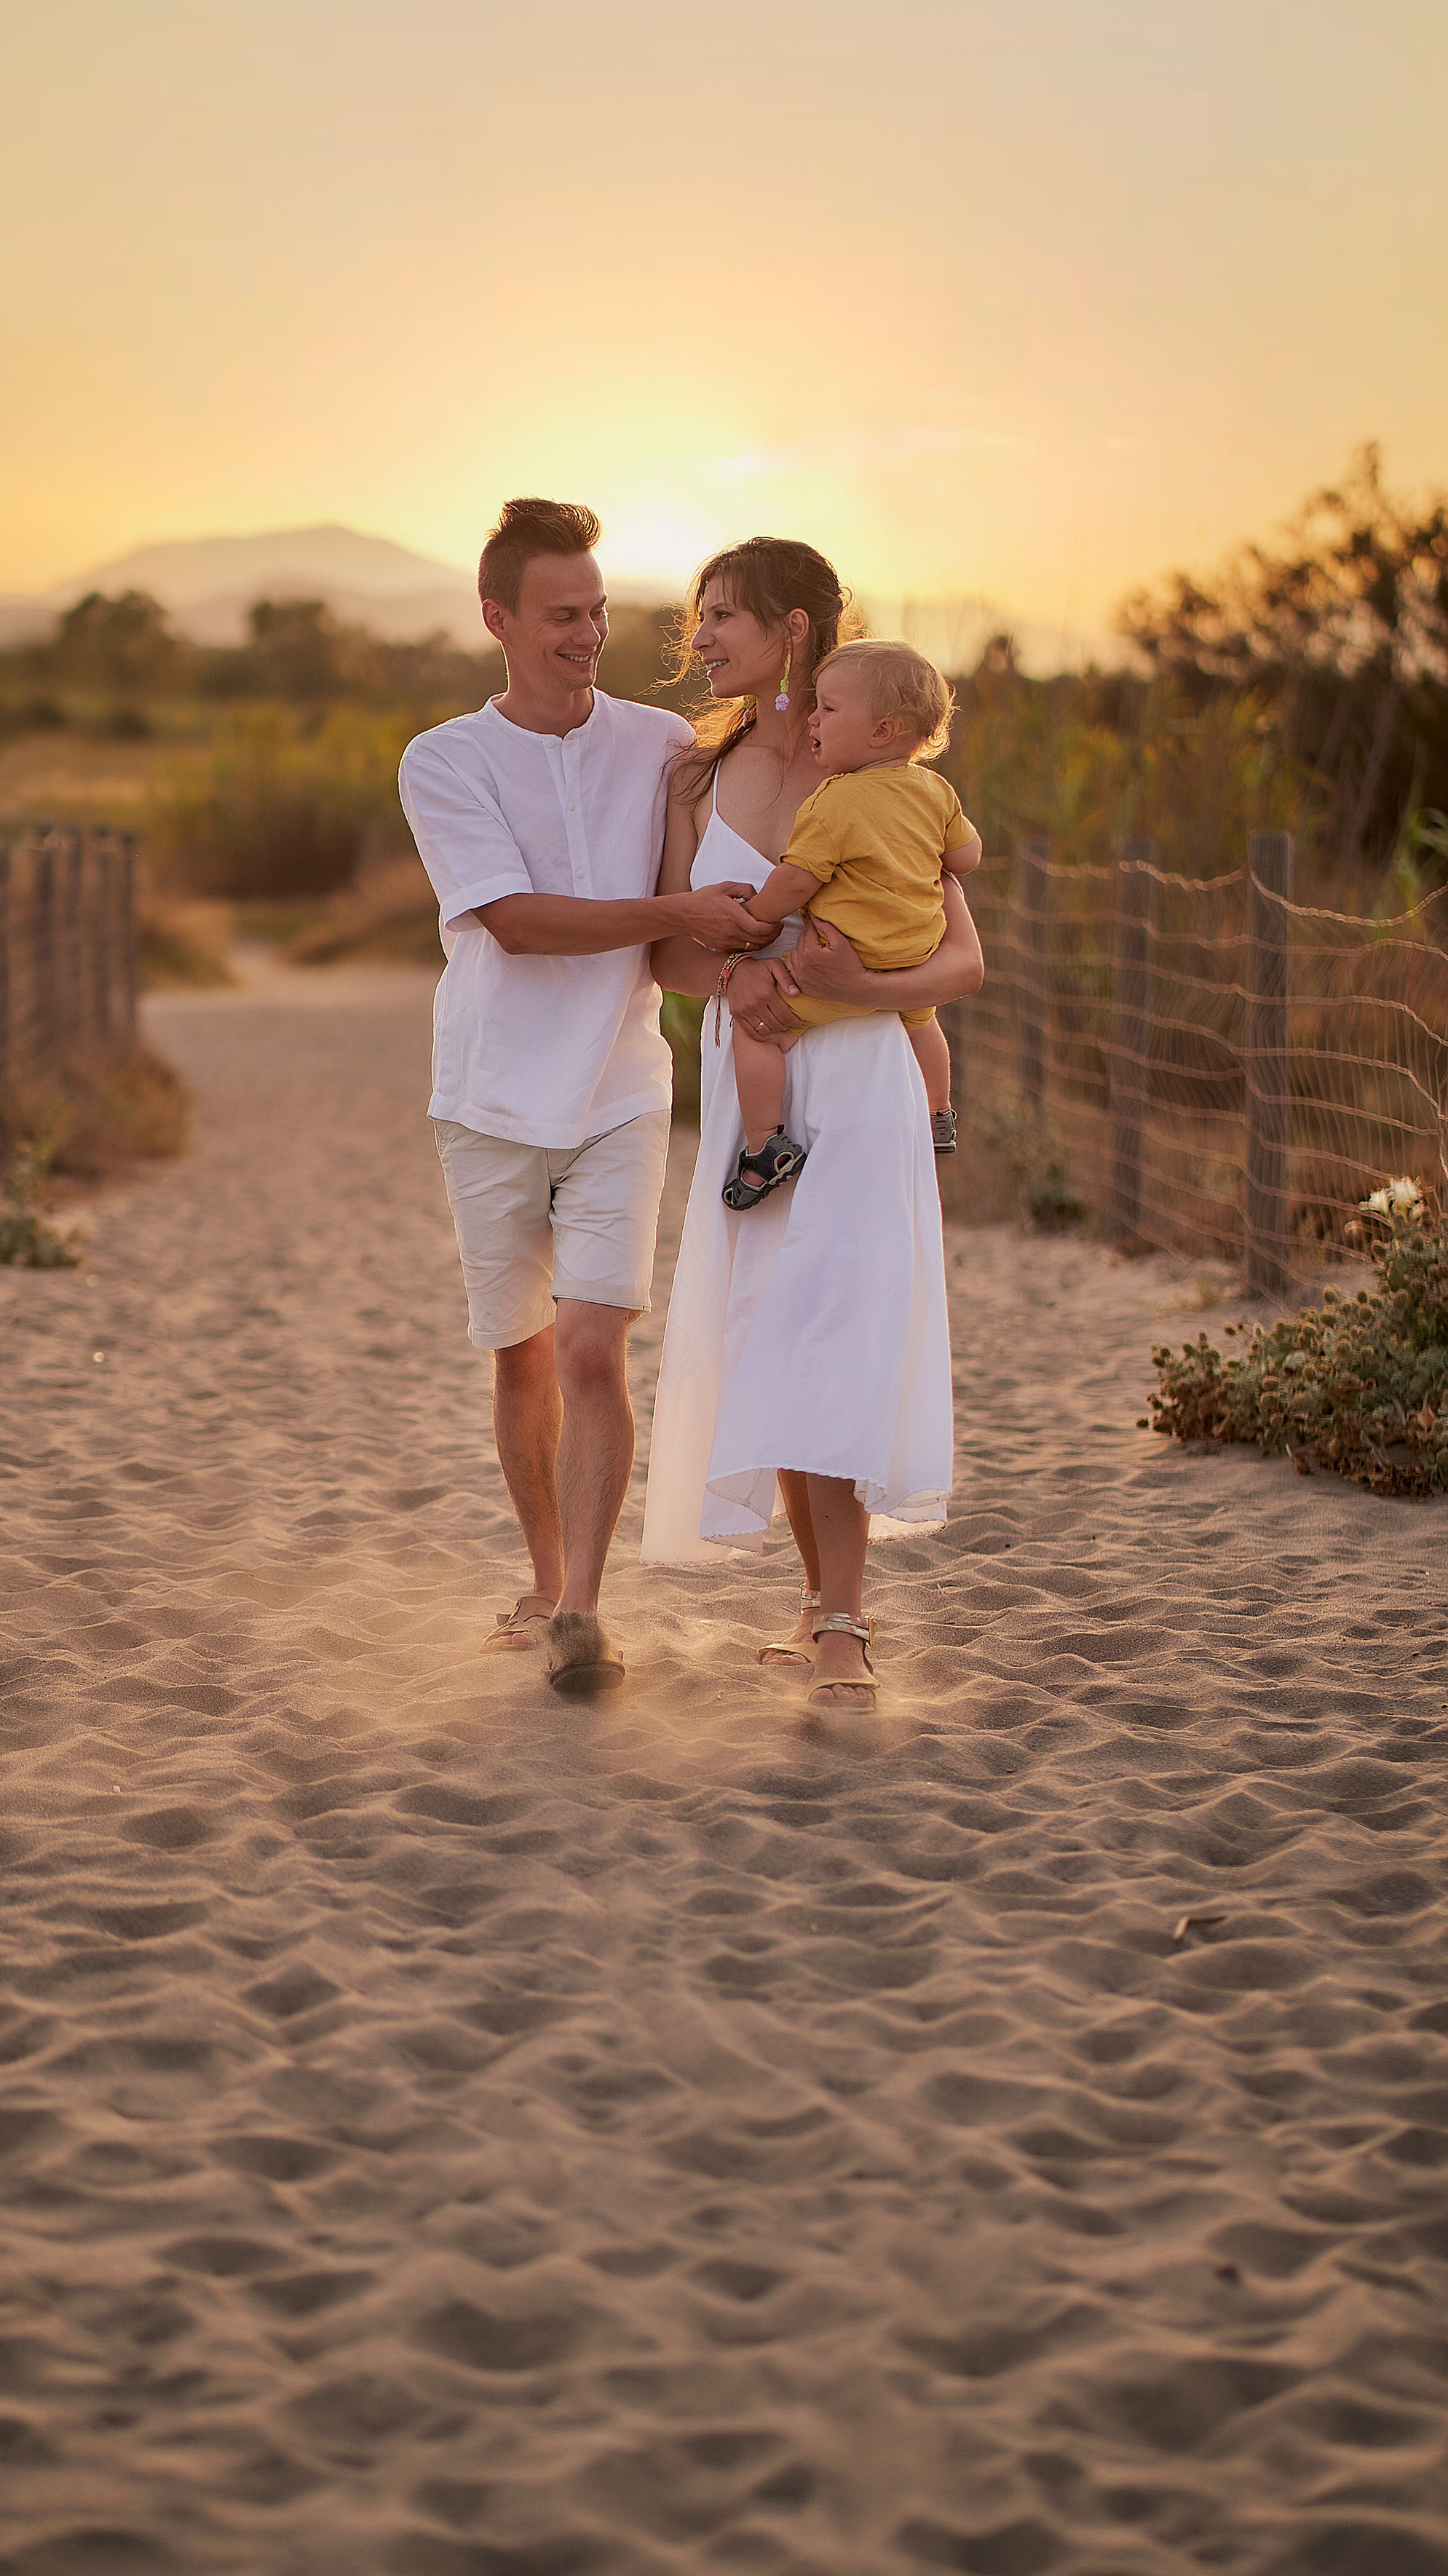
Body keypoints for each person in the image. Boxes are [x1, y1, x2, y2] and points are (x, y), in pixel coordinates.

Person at [397, 499, 772, 1695]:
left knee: (593, 1352)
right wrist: (677, 918)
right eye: (564, 615)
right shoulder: (444, 760)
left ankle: (583, 1617)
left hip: (620, 1091)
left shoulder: (661, 746)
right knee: (522, 1363)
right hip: (489, 1098)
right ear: (498, 619)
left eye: (600, 610)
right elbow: (514, 923)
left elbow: (684, 933)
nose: (590, 633)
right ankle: (548, 1576)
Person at [642, 538, 984, 1708]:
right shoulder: (695, 780)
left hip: (863, 1071)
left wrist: (855, 990)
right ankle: (813, 1598)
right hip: (758, 1088)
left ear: (796, 630)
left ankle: (846, 1617)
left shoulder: (884, 775)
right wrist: (732, 982)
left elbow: (963, 960)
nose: (701, 643)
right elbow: (669, 949)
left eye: (723, 617)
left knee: (844, 1319)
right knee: (772, 1328)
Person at [722, 638, 981, 1207]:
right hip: (916, 957)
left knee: (758, 1032)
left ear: (882, 731)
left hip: (840, 962)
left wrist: (755, 919)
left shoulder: (833, 801)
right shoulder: (936, 790)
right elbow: (965, 859)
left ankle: (765, 1145)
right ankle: (939, 1113)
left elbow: (796, 881)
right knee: (923, 1024)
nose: (811, 717)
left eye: (828, 709)